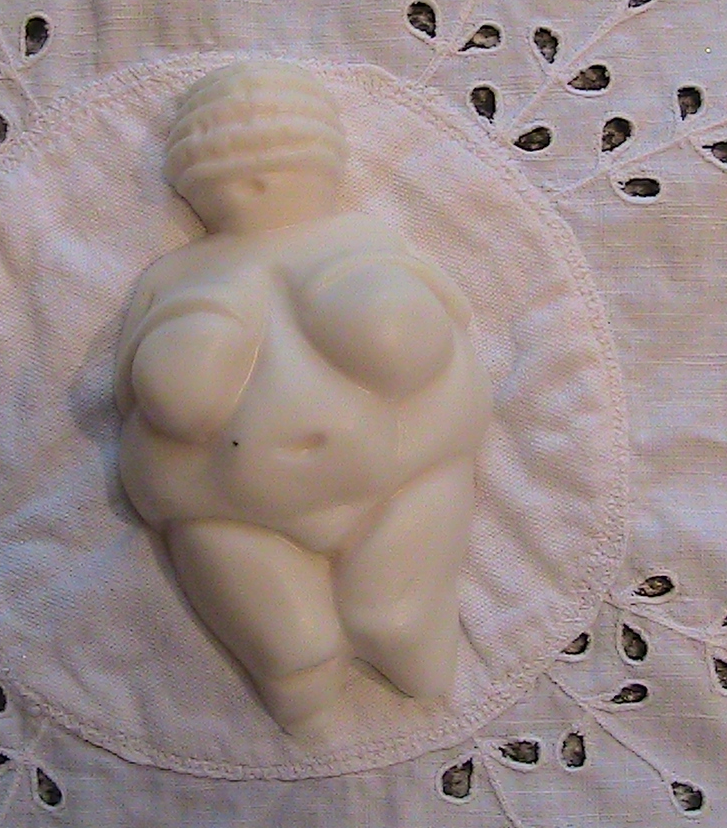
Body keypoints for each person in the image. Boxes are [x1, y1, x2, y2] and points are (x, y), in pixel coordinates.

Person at [115, 61, 492, 734]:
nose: (254, 175)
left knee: (396, 615)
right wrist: (190, 357)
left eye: (276, 148)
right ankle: (296, 680)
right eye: (225, 155)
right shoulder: (173, 278)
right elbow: (137, 397)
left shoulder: (365, 241)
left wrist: (383, 317)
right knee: (292, 650)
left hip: (402, 476)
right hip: (225, 511)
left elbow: (444, 330)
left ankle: (408, 638)